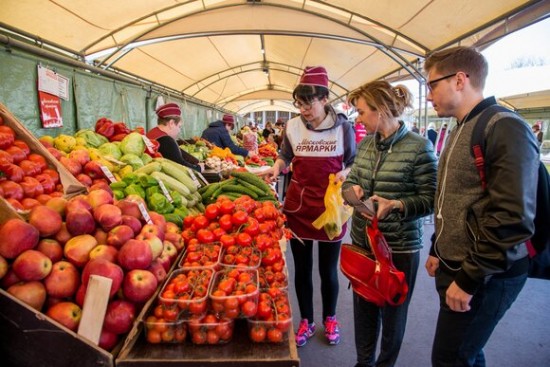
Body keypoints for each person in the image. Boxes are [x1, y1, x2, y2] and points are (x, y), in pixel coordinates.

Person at [424, 46, 539, 367]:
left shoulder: (503, 126)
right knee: (466, 352)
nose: (429, 94)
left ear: (459, 79)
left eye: (432, 84)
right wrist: (437, 247)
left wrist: (469, 279)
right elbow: (455, 196)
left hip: (487, 275)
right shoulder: (461, 125)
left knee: (450, 358)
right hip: (459, 265)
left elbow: (512, 217)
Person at [343, 81, 437, 367]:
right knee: (364, 309)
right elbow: (350, 181)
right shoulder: (366, 144)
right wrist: (351, 191)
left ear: (380, 110)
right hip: (364, 243)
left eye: (361, 112)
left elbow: (431, 199)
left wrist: (396, 205)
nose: (357, 118)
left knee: (394, 314)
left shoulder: (420, 147)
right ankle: (363, 362)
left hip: (399, 248)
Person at [262, 65, 356, 347]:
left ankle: (330, 317)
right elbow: (284, 156)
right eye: (299, 103)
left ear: (325, 99)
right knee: (301, 269)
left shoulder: (344, 128)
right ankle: (306, 320)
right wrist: (277, 167)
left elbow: (353, 162)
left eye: (309, 102)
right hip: (299, 208)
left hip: (330, 210)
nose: (303, 109)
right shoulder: (292, 127)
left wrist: (346, 173)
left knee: (328, 270)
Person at [146, 102, 203, 172]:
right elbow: (181, 165)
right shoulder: (166, 140)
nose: (179, 130)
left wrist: (196, 161)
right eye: (179, 126)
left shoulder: (151, 133)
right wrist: (198, 168)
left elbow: (179, 154)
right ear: (171, 123)